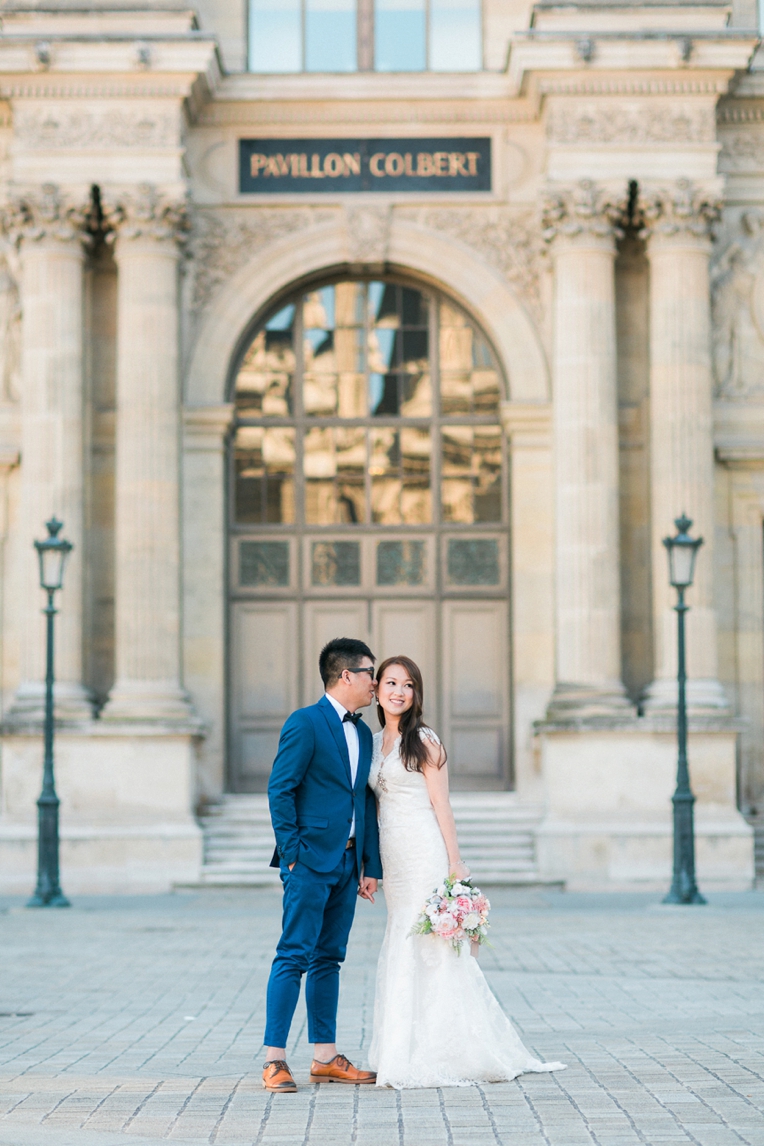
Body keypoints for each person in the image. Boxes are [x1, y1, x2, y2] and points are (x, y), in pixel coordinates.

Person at [368, 655, 566, 1089]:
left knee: (434, 947)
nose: (399, 692)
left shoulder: (425, 740)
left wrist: (455, 864)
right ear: (377, 690)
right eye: (391, 683)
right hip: (394, 858)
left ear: (416, 694)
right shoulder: (371, 742)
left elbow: (442, 804)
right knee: (403, 939)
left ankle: (451, 1049)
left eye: (408, 685)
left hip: (424, 851)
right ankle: (401, 1050)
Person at [262, 637, 382, 1093]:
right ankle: (274, 1060)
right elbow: (281, 789)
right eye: (371, 672)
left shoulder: (363, 734)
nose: (376, 682)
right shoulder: (305, 723)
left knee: (330, 958)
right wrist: (292, 854)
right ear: (346, 675)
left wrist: (370, 864)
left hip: (348, 863)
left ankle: (325, 1056)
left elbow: (363, 801)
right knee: (293, 954)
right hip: (309, 861)